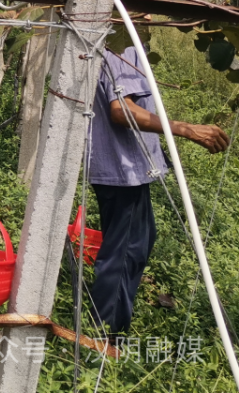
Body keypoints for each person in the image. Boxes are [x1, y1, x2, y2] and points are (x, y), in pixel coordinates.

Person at [88, 46, 228, 335]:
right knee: (124, 253)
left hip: (121, 168)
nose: (151, 17)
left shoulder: (119, 38)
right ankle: (104, 340)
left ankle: (108, 332)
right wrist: (187, 129)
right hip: (122, 169)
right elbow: (121, 109)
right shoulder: (123, 43)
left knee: (138, 243)